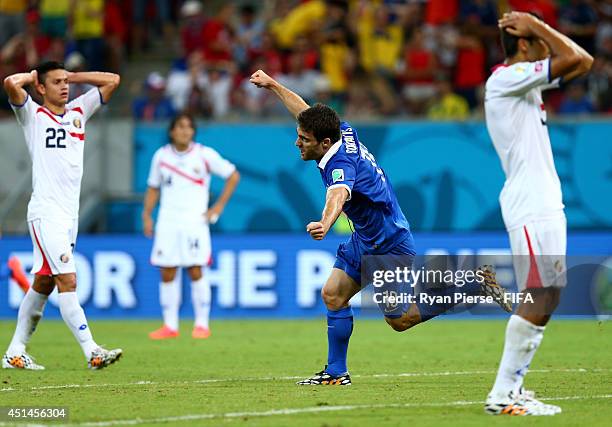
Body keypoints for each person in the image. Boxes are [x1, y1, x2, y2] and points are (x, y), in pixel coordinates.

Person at [249, 69, 511, 386]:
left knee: (399, 320)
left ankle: (472, 285)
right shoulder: (340, 131)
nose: (297, 143)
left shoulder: (340, 165)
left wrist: (324, 223)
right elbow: (304, 112)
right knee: (333, 295)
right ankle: (335, 372)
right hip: (366, 240)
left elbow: (338, 194)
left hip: (389, 247)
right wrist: (274, 85)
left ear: (324, 142)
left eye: (304, 140)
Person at [484, 11, 593, 416]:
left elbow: (580, 62)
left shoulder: (524, 82)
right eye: (539, 44)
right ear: (526, 47)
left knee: (548, 294)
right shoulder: (506, 78)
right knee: (539, 293)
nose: (548, 49)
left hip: (543, 199)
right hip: (530, 200)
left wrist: (535, 27)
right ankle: (502, 396)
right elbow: (580, 56)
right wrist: (536, 24)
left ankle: (515, 388)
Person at [2, 61, 122, 370]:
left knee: (44, 283)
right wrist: (31, 76)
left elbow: (112, 80)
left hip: (69, 216)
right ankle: (92, 350)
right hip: (46, 212)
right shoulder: (32, 115)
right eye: (56, 82)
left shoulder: (78, 112)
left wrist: (75, 75)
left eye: (65, 81)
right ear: (41, 88)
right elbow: (9, 84)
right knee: (68, 279)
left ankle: (15, 351)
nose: (64, 86)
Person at [143, 113, 240, 340]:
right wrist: (147, 215)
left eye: (188, 127)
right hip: (167, 220)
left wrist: (218, 208)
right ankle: (170, 325)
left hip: (194, 221)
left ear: (193, 131)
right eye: (180, 127)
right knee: (167, 270)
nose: (184, 131)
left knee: (196, 269)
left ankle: (202, 323)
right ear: (171, 131)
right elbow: (153, 187)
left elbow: (233, 175)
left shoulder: (203, 154)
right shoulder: (161, 156)